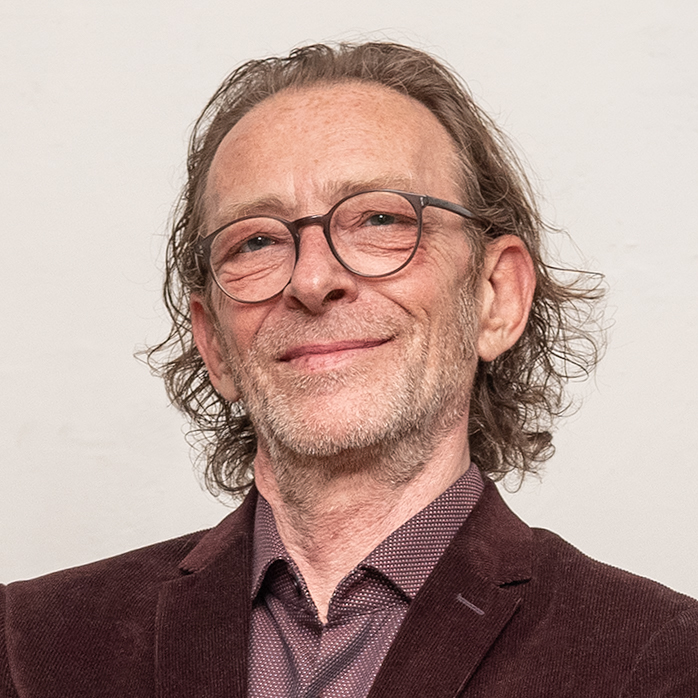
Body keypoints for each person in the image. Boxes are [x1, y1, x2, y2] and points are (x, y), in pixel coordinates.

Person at [1, 41, 696, 697]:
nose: (312, 280)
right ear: (212, 341)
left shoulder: (658, 659)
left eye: (381, 221)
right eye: (257, 241)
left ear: (497, 297)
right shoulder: (30, 648)